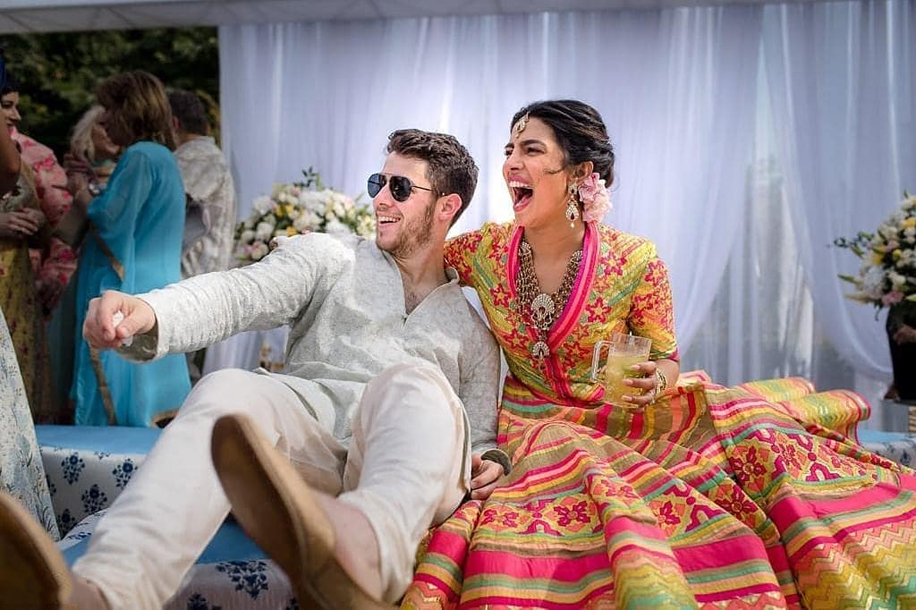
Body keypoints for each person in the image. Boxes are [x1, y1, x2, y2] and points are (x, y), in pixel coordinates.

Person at [403, 100, 916, 608]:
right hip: (532, 427)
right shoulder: (483, 250)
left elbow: (668, 359)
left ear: (581, 173)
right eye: (509, 148)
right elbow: (413, 259)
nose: (510, 162)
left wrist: (657, 379)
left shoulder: (634, 260)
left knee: (760, 441)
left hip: (627, 420)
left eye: (530, 149)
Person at [0, 128, 509, 610]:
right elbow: (238, 294)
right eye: (378, 183)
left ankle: (366, 551)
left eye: (399, 187)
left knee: (414, 383)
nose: (380, 199)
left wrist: (488, 460)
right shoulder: (331, 257)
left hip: (401, 465)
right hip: (302, 454)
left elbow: (481, 436)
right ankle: (105, 592)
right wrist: (150, 311)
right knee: (227, 386)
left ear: (447, 207)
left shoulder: (473, 329)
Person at [65, 71, 190, 426]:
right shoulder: (163, 157)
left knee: (125, 386)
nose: (102, 119)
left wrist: (80, 192)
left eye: (108, 108)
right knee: (150, 386)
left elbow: (110, 220)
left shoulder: (140, 156)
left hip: (131, 285)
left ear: (128, 110)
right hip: (157, 282)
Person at [0, 67, 55, 423]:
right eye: (6, 105)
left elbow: (47, 229)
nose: (15, 115)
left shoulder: (27, 156)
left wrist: (36, 224)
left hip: (16, 283)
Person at [3, 77, 77, 316]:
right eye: (6, 105)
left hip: (19, 287)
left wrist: (54, 277)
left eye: (16, 106)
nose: (16, 116)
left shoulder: (35, 156)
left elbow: (64, 224)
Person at [168, 88, 237, 278]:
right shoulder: (202, 155)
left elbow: (162, 205)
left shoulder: (198, 157)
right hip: (196, 277)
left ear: (174, 124)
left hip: (191, 277)